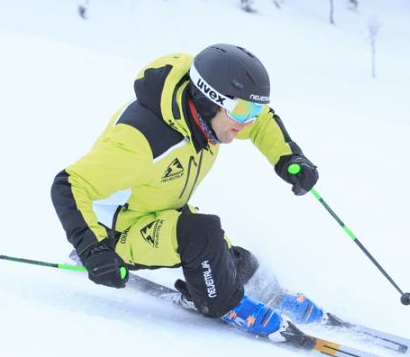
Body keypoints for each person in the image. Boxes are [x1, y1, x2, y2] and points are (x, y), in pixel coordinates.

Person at [50, 44, 323, 338]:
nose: (248, 121)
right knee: (201, 235)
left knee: (234, 259)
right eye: (244, 111)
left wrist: (288, 157)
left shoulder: (213, 117)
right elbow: (69, 185)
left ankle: (268, 293)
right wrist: (94, 249)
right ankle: (223, 304)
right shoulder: (139, 141)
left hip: (159, 207)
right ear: (210, 99)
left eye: (253, 109)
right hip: (117, 232)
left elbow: (261, 121)